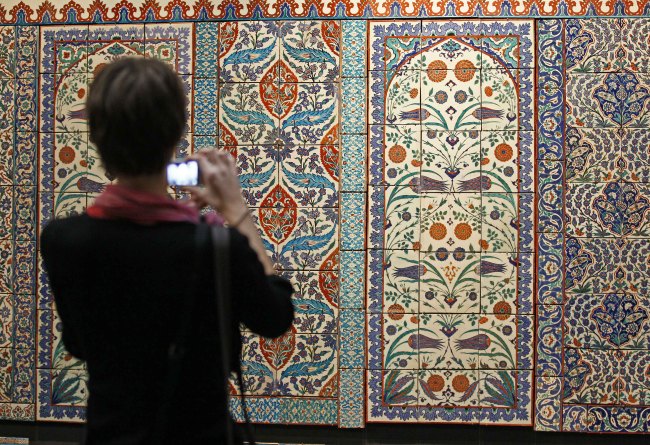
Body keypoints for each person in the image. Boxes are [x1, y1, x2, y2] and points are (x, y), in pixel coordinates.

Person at [40, 57, 294, 444]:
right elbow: (275, 317)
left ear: (96, 137)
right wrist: (237, 212)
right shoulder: (215, 247)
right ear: (174, 133)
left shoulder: (64, 241)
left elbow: (78, 344)